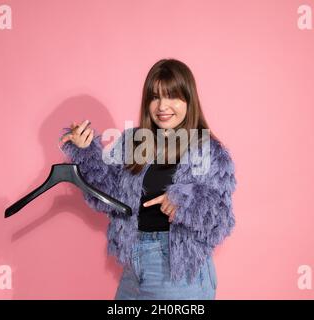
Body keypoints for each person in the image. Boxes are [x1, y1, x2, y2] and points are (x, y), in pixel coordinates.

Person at [60, 58, 237, 300]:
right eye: (155, 97)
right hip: (133, 267)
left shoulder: (205, 148)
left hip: (177, 272)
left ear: (188, 100)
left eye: (172, 96)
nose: (162, 106)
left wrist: (185, 202)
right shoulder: (134, 141)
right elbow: (107, 198)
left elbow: (222, 219)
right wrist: (86, 152)